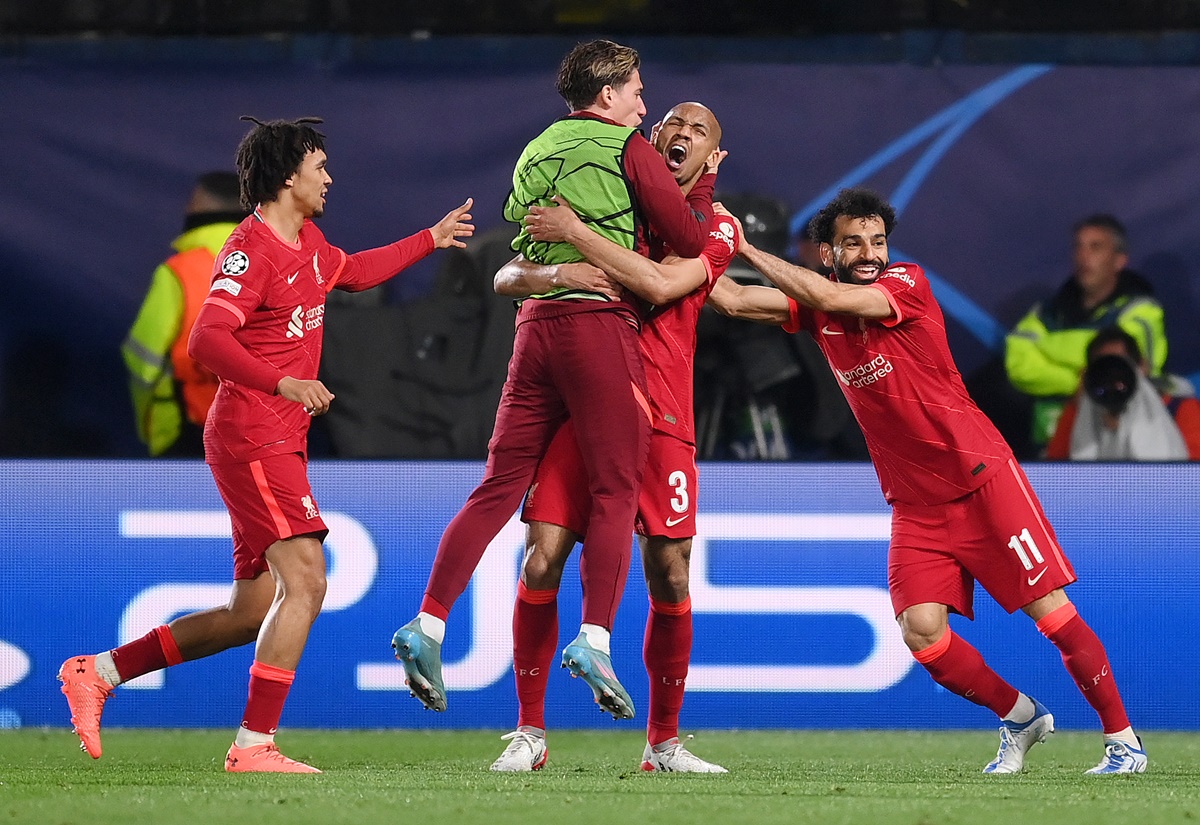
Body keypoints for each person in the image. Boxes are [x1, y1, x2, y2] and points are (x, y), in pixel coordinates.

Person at [59, 116, 474, 773]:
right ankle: (254, 745)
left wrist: (431, 237)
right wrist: (283, 378)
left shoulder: (306, 240)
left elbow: (356, 272)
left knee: (249, 612)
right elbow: (207, 340)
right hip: (252, 433)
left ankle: (99, 670)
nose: (329, 177)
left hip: (276, 437)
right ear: (288, 177)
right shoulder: (249, 251)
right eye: (320, 166)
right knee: (307, 579)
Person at [707, 186, 1146, 775]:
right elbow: (732, 299)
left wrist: (747, 246)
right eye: (853, 243)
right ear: (828, 252)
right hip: (916, 503)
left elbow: (821, 290)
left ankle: (1123, 742)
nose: (869, 252)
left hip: (981, 479)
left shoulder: (905, 284)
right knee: (923, 634)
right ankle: (1020, 716)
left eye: (877, 240)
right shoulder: (819, 311)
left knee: (1052, 613)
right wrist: (675, 250)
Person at [391, 39, 716, 719]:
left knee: (497, 487)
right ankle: (595, 637)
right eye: (637, 92)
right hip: (597, 330)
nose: (643, 105)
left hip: (532, 328)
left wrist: (562, 254)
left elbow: (517, 248)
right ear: (609, 97)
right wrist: (602, 241)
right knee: (615, 486)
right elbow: (686, 241)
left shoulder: (535, 147)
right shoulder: (629, 149)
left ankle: (427, 622)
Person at [486, 102, 732, 773]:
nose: (680, 133)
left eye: (698, 130)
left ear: (714, 159)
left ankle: (664, 743)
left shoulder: (715, 224)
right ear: (647, 143)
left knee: (671, 571)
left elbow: (658, 281)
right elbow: (507, 274)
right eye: (670, 124)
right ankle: (529, 733)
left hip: (667, 417)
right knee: (541, 557)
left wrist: (576, 234)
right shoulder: (606, 195)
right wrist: (560, 266)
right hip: (586, 408)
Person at [1005, 213, 1167, 452]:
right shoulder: (1047, 311)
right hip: (1050, 448)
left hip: (1119, 449)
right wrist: (1090, 379)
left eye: (1096, 247)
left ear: (1119, 260)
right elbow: (1018, 365)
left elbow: (1133, 365)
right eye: (1078, 246)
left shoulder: (1142, 310)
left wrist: (1048, 348)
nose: (1084, 256)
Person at [123, 171, 248, 457]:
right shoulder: (288, 267)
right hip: (275, 438)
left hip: (191, 436)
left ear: (197, 205)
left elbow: (142, 360)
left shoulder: (179, 273)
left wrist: (155, 428)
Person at [1046, 325, 1200, 460]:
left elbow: (1191, 475)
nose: (1113, 378)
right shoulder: (1076, 412)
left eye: (1120, 367)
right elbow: (1055, 470)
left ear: (1142, 367)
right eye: (1105, 369)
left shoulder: (1181, 409)